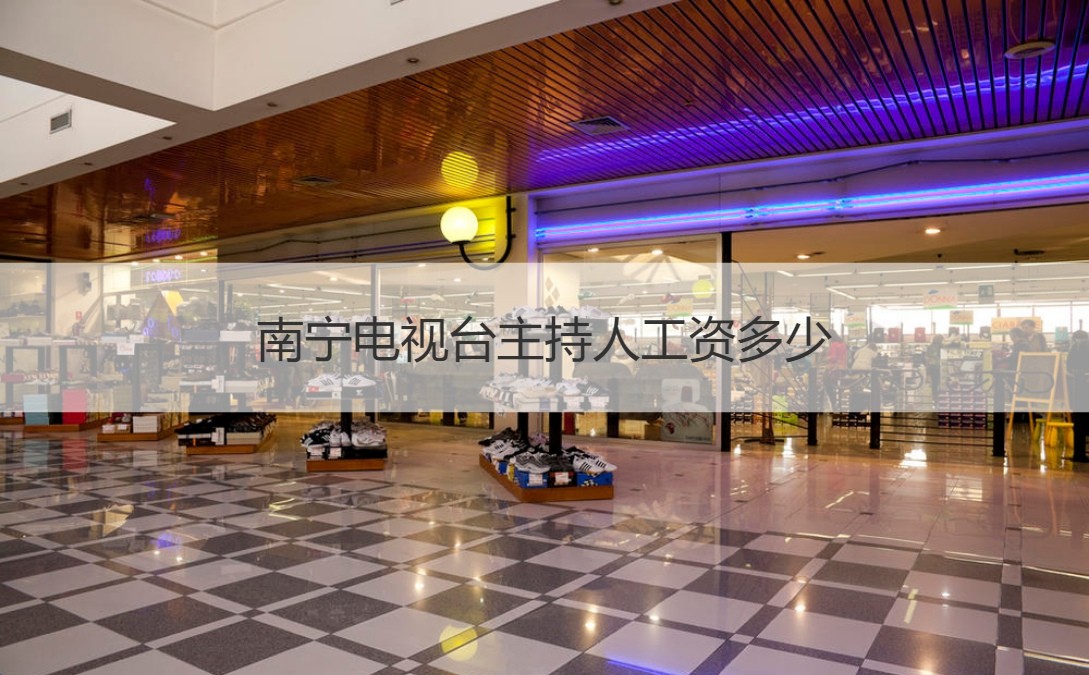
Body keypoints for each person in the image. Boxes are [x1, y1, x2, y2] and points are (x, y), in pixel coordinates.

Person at [1068, 330, 1089, 461]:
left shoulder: (1074, 347)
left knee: (1079, 420)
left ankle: (1079, 453)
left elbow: (1069, 366)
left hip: (1078, 387)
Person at [925, 334, 944, 401]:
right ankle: (938, 395)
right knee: (939, 381)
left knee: (934, 382)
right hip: (939, 366)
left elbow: (927, 357)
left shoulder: (930, 347)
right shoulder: (941, 346)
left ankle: (935, 396)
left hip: (933, 366)